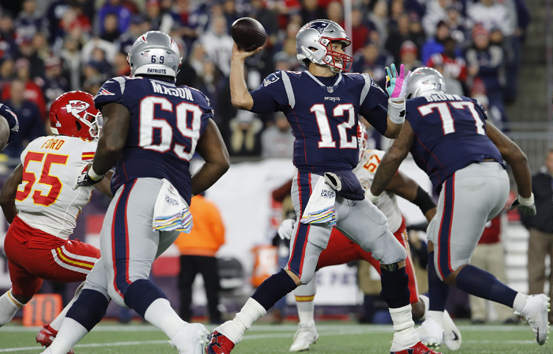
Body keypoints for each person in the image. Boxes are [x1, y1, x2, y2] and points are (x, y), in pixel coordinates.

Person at [208, 19, 440, 354]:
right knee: (298, 271)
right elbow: (242, 100)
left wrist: (397, 103)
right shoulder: (290, 83)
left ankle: (405, 339)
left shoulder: (357, 84)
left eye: (343, 46)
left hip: (348, 183)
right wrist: (237, 60)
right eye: (336, 45)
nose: (343, 52)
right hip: (315, 182)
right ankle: (230, 330)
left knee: (394, 254)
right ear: (314, 46)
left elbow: (391, 130)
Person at [41, 31, 230, 354]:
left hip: (139, 188)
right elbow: (219, 161)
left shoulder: (123, 87)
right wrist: (183, 192)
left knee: (123, 280)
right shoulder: (194, 97)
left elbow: (112, 144)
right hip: (175, 204)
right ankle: (55, 350)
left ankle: (184, 332)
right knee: (100, 281)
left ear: (136, 59)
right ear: (175, 61)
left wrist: (95, 173)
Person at [369, 67, 550, 348]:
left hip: (464, 180)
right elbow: (517, 154)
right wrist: (526, 199)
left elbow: (394, 155)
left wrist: (373, 191)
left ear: (413, 91)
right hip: (498, 181)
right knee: (433, 235)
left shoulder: (414, 108)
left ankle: (525, 304)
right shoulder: (468, 104)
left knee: (449, 268)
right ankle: (435, 320)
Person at [277, 123, 462, 352]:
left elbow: (421, 197)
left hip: (384, 234)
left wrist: (439, 230)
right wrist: (291, 218)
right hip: (345, 233)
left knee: (411, 306)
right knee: (304, 261)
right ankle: (306, 327)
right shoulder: (323, 164)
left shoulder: (378, 165)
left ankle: (434, 310)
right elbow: (307, 196)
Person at [0, 91, 110, 351]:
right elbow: (113, 188)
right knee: (110, 270)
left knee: (20, 294)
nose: (96, 125)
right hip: (47, 246)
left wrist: (21, 230)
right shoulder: (87, 150)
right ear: (77, 120)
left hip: (15, 239)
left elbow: (5, 196)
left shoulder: (36, 144)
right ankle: (54, 332)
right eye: (92, 119)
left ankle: (54, 331)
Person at [519, 148, 553, 324]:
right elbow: (524, 202)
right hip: (539, 232)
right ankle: (534, 314)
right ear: (547, 161)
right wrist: (531, 226)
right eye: (552, 160)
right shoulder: (536, 180)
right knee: (536, 272)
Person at [174, 193, 226, 324]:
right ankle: (214, 316)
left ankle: (184, 316)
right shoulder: (208, 206)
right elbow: (218, 228)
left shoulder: (183, 207)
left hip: (186, 251)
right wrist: (216, 245)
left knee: (185, 286)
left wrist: (181, 243)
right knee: (211, 287)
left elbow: (173, 227)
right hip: (207, 252)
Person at [468, 215, 518, 324]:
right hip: (476, 244)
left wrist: (505, 244)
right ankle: (478, 314)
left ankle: (505, 314)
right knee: (475, 281)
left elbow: (503, 220)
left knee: (500, 281)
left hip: (495, 243)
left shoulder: (497, 202)